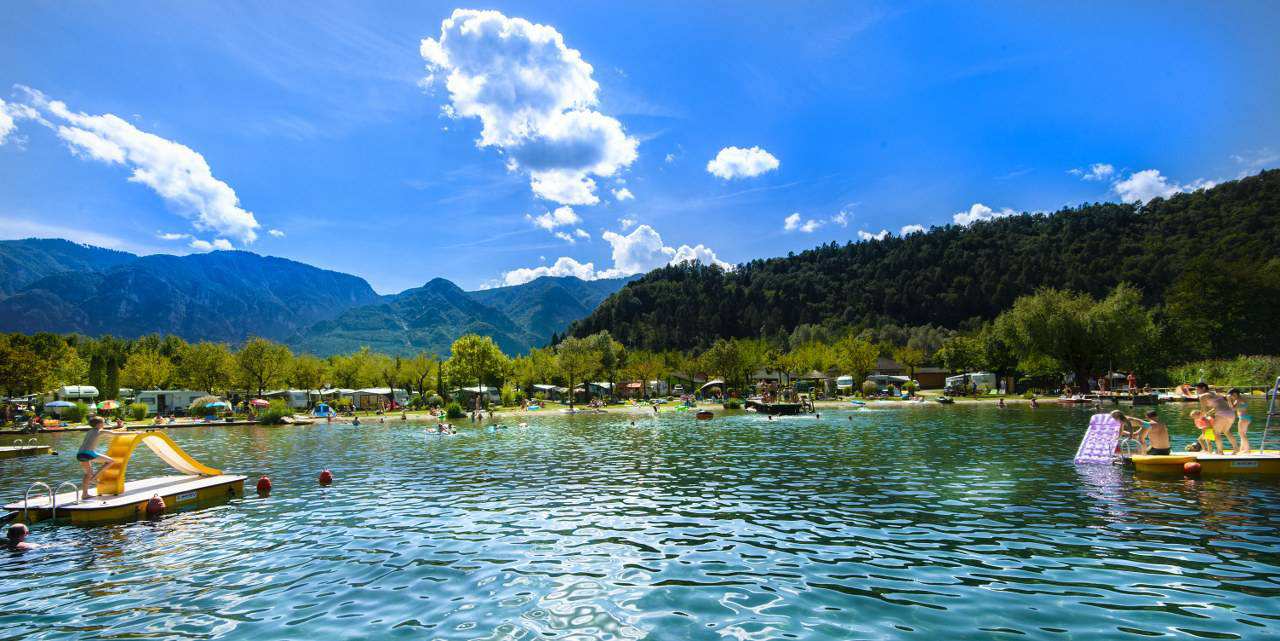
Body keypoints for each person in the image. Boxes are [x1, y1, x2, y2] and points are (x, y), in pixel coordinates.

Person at [77, 416, 125, 500]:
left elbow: (113, 431)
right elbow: (115, 434)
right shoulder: (100, 431)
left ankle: (84, 494)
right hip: (88, 453)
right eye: (103, 422)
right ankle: (94, 478)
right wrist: (136, 433)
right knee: (111, 461)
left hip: (80, 454)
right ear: (99, 424)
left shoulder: (90, 431)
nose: (104, 424)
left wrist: (120, 428)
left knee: (87, 474)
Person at [1196, 382, 1238, 455]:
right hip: (1231, 414)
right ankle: (1236, 449)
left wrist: (1200, 418)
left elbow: (1203, 410)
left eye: (1197, 389)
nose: (1196, 390)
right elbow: (1217, 407)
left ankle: (1220, 452)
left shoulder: (1202, 396)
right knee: (1226, 431)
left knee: (1216, 433)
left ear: (1203, 388)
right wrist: (1209, 413)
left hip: (1222, 414)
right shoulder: (1215, 394)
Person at [1227, 388, 1253, 454]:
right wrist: (1230, 400)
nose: (1231, 397)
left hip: (1243, 418)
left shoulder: (1238, 400)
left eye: (1231, 395)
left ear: (1235, 394)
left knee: (1241, 434)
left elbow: (1232, 409)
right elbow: (1234, 407)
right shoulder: (1241, 398)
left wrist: (1229, 400)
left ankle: (1247, 449)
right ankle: (1242, 449)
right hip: (1247, 417)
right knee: (1243, 434)